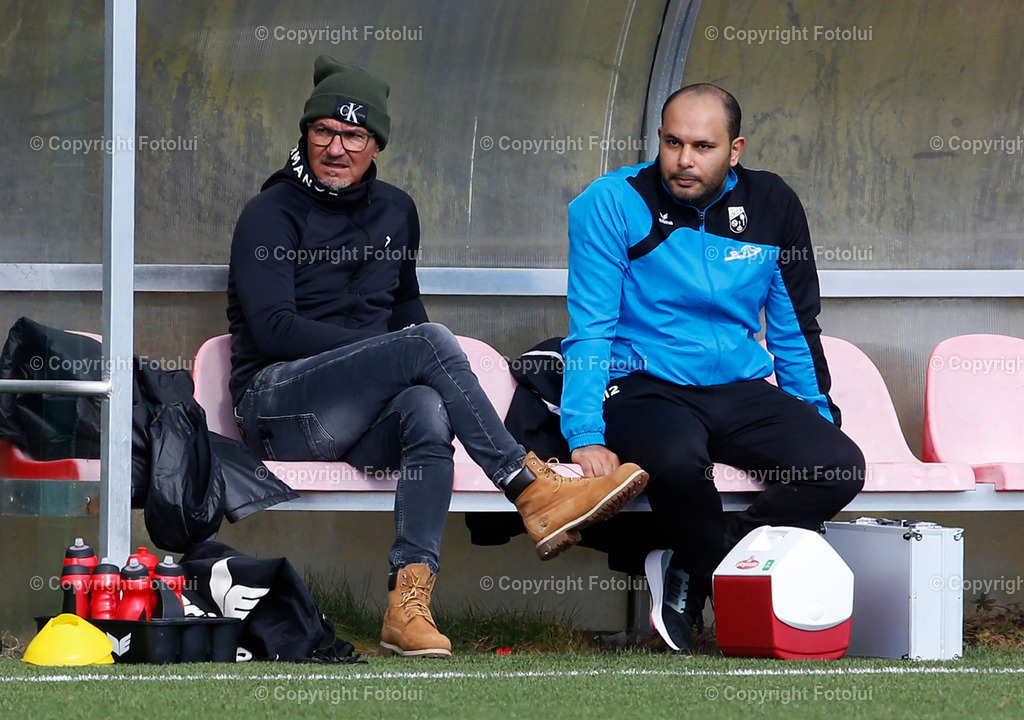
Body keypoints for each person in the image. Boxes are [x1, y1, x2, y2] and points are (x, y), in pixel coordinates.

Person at [226, 55, 649, 659]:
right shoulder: (269, 213)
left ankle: (407, 602)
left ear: (377, 145)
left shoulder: (397, 210)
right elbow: (273, 330)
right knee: (424, 348)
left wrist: (414, 359)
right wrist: (398, 352)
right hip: (279, 409)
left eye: (354, 136)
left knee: (426, 407)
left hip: (360, 416)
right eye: (323, 131)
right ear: (306, 134)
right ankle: (529, 487)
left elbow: (406, 310)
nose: (336, 147)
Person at [561, 83, 865, 652]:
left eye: (702, 146)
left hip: (738, 386)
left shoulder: (773, 204)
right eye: (672, 142)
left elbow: (797, 326)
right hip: (644, 384)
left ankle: (692, 564)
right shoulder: (610, 201)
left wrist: (817, 414)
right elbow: (591, 326)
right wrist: (584, 432)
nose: (683, 160)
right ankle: (718, 582)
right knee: (680, 466)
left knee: (838, 466)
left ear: (736, 148)